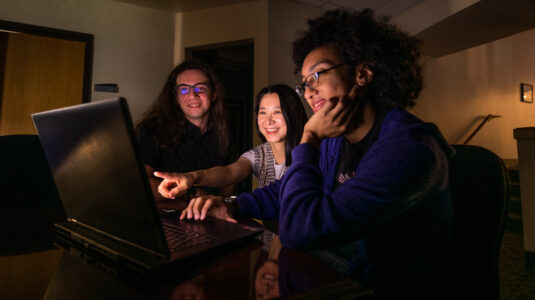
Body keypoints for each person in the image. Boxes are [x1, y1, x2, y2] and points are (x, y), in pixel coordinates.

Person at [168, 9, 455, 298]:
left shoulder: (408, 148)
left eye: (317, 75)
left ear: (362, 73)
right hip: (341, 270)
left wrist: (310, 137)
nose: (308, 92)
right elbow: (286, 191)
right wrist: (233, 206)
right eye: (305, 82)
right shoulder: (336, 140)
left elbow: (299, 229)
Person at [155, 84, 307, 231]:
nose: (268, 121)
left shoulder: (309, 153)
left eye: (277, 112)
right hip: (271, 245)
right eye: (262, 112)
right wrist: (192, 177)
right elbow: (229, 172)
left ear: (292, 114)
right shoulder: (260, 154)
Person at [136, 60, 234, 204]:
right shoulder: (152, 130)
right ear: (176, 97)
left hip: (209, 219)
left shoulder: (225, 134)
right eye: (183, 89)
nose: (192, 95)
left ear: (213, 94)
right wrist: (190, 192)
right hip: (166, 220)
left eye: (200, 88)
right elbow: (138, 185)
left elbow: (228, 183)